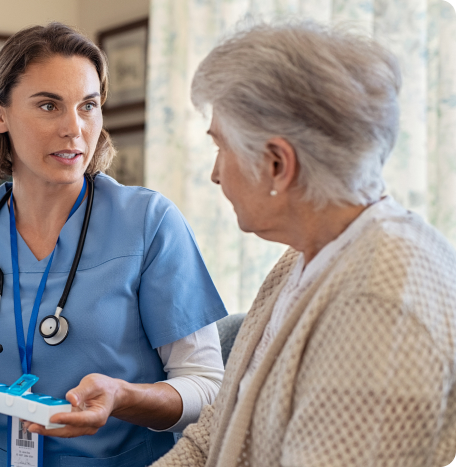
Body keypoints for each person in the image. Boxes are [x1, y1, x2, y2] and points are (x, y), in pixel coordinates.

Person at [0, 23, 228, 467]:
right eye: (48, 105)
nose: (74, 128)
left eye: (88, 106)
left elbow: (207, 387)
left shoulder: (149, 223)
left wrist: (123, 396)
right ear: (0, 114)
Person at [152, 21, 456, 467]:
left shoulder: (380, 301)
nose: (216, 174)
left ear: (277, 164)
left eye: (221, 147)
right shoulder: (303, 256)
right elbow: (214, 436)